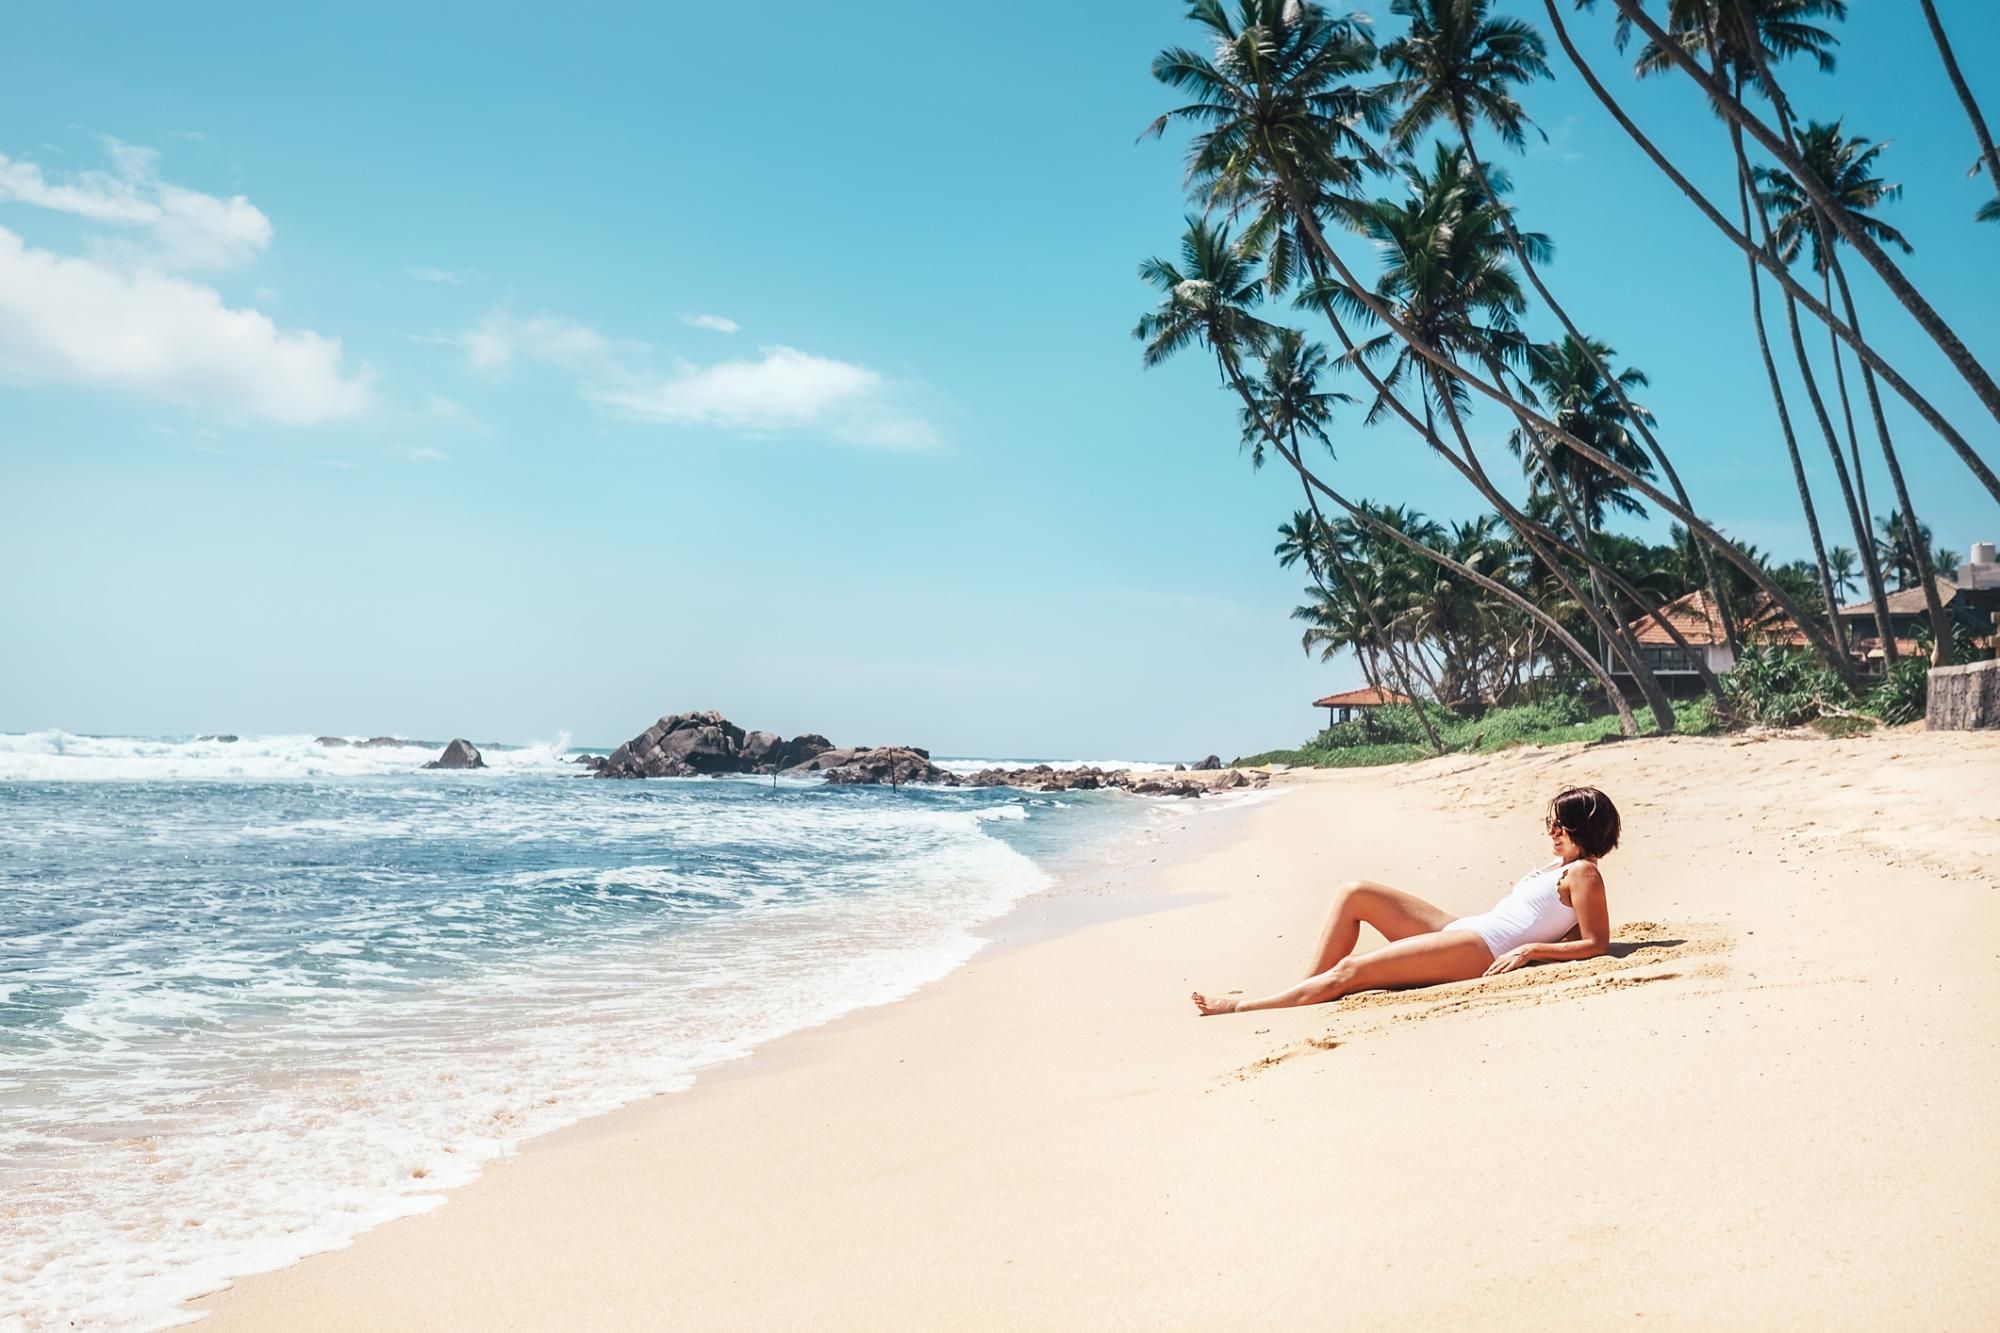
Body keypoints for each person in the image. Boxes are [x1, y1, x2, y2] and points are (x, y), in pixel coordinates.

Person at [1192, 786, 1620, 1016]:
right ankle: (1306, 988)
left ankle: (1246, 1006)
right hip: (1467, 929)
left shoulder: (1584, 873)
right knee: (1355, 893)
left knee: (1353, 970)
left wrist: (1531, 951)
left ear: (1585, 829)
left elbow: (1596, 943)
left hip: (1482, 949)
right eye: (1550, 824)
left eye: (1561, 827)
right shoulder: (1561, 866)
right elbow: (1566, 925)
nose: (1551, 833)